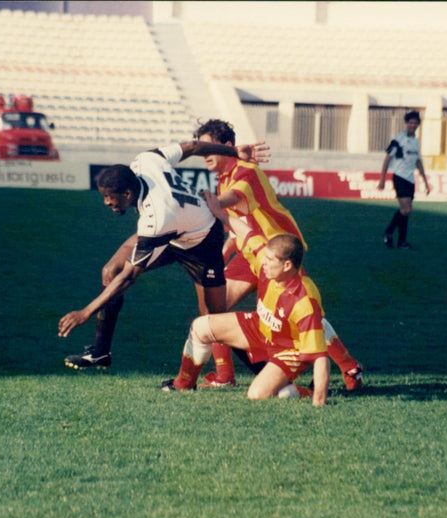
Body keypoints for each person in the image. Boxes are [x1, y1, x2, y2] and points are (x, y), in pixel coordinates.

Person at [58, 139, 270, 373]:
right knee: (111, 271)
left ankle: (267, 371)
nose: (106, 202)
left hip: (202, 239)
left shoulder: (155, 219)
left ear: (128, 193)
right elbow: (191, 147)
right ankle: (100, 353)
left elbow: (129, 278)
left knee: (215, 317)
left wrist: (86, 312)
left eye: (110, 197)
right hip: (170, 231)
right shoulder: (145, 160)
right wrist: (233, 151)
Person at [194, 119, 362, 392]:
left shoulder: (245, 171)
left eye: (208, 147)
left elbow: (229, 202)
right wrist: (220, 256)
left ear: (227, 147)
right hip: (250, 252)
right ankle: (224, 375)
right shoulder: (223, 177)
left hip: (275, 253)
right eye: (200, 148)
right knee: (214, 305)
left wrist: (205, 205)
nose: (204, 155)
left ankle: (348, 364)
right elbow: (236, 228)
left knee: (303, 311)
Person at [161, 190, 330, 407]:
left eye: (270, 260)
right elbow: (247, 232)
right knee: (200, 327)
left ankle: (304, 392)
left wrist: (319, 402)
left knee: (258, 395)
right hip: (260, 328)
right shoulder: (267, 262)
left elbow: (319, 357)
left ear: (287, 265)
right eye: (265, 257)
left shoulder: (304, 301)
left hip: (288, 350)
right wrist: (220, 214)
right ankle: (184, 384)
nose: (264, 262)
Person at [377, 110, 430, 250]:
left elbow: (418, 161)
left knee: (407, 210)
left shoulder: (416, 141)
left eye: (415, 122)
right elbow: (388, 157)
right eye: (410, 122)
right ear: (406, 123)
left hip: (410, 179)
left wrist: (425, 181)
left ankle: (401, 242)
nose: (412, 124)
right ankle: (389, 233)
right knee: (406, 209)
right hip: (399, 176)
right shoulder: (398, 139)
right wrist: (382, 178)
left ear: (418, 124)